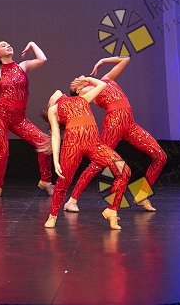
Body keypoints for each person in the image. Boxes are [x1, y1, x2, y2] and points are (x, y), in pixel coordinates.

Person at [64, 56, 166, 213]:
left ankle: (142, 195)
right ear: (77, 90)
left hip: (130, 124)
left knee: (160, 156)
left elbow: (125, 59)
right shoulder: (84, 94)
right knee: (98, 162)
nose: (77, 78)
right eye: (74, 82)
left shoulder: (105, 79)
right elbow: (96, 89)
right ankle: (72, 200)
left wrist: (103, 61)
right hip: (113, 124)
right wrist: (88, 80)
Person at [43, 76, 131, 230]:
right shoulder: (53, 110)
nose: (56, 92)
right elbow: (56, 135)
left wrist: (88, 79)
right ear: (51, 102)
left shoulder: (83, 99)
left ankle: (112, 210)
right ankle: (52, 216)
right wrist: (55, 160)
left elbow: (102, 85)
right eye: (52, 96)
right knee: (63, 183)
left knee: (124, 171)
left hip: (94, 145)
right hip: (72, 147)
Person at [0, 41, 53, 198]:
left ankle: (46, 181)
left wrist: (31, 44)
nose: (8, 46)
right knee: (2, 152)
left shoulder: (23, 66)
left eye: (8, 44)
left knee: (45, 143)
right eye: (3, 45)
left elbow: (43, 59)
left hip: (19, 119)